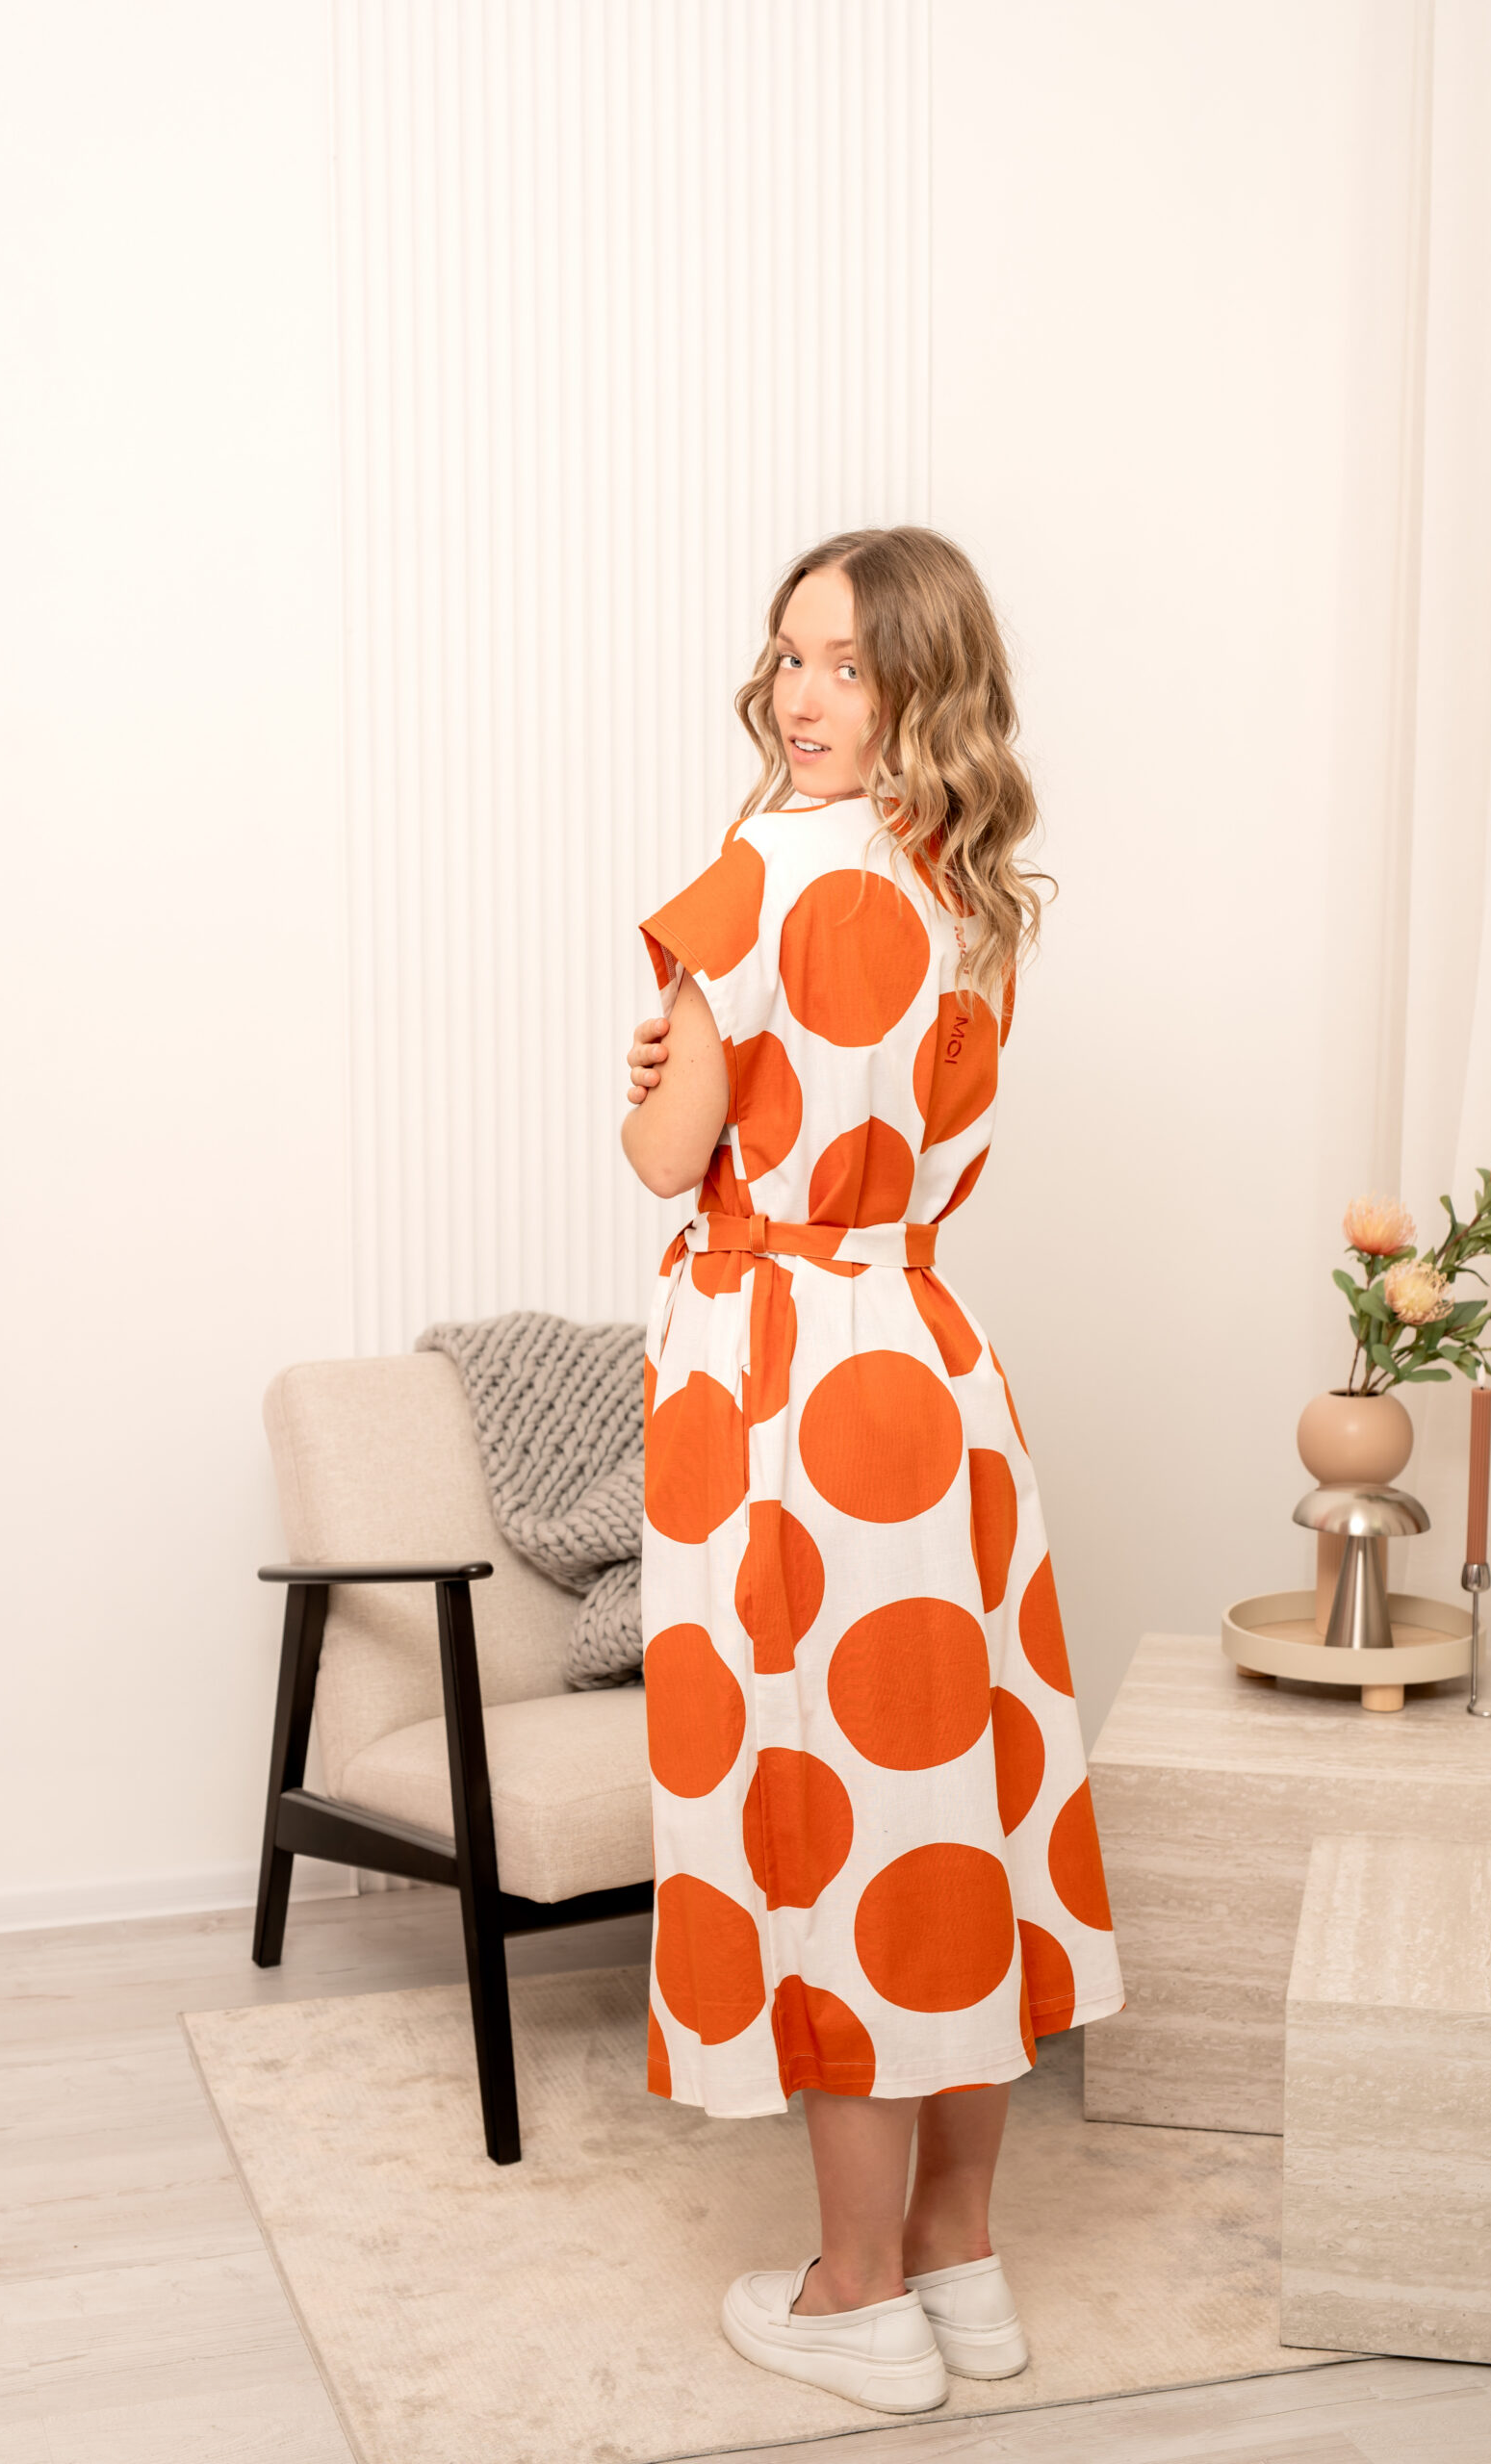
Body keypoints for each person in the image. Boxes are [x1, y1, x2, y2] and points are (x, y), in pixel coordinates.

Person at [619, 526, 1123, 2417]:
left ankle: (853, 2290)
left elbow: (668, 1160)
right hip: (927, 1358)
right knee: (952, 1804)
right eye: (789, 657)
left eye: (844, 661)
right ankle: (958, 2258)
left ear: (923, 681)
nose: (801, 696)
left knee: (829, 1816)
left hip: (776, 1380)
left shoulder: (757, 871)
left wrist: (658, 1078)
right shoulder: (971, 889)